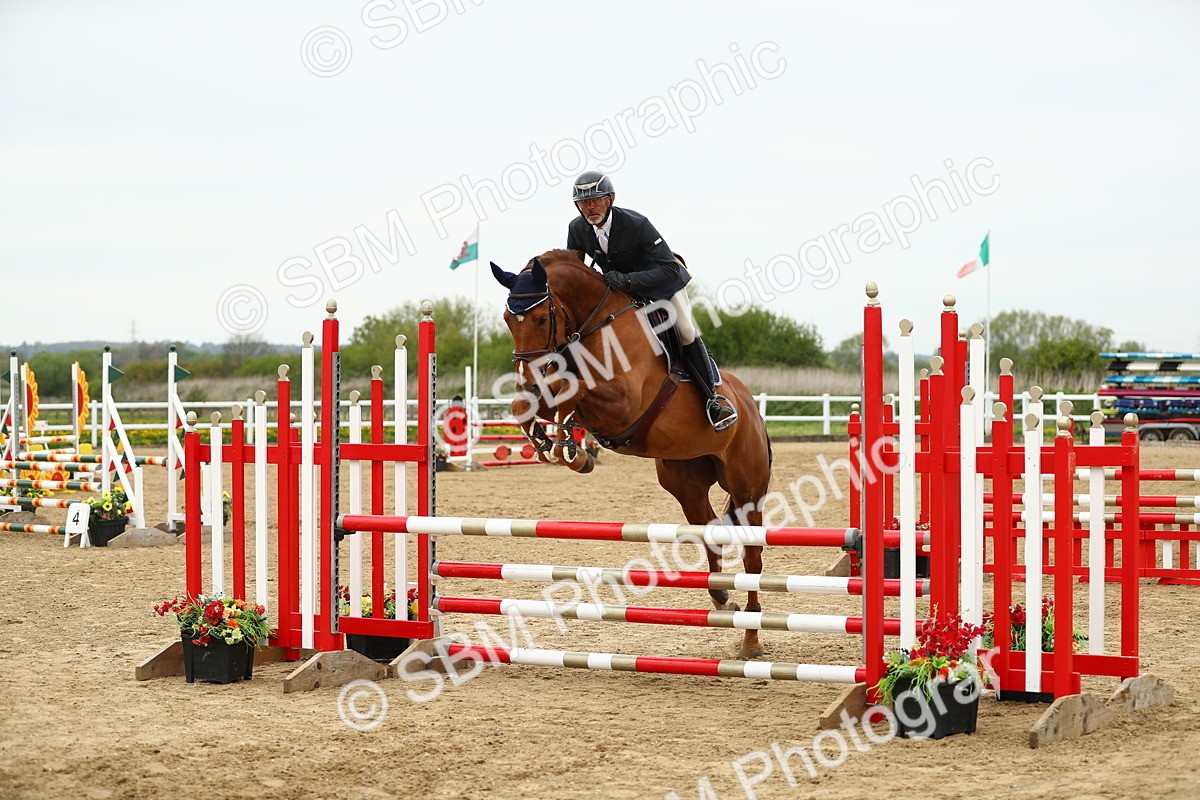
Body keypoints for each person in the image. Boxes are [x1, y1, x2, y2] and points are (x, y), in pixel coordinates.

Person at [566, 170, 738, 431]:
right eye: (584, 203)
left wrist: (627, 280)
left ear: (610, 199)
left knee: (685, 329)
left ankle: (714, 400)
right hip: (622, 292)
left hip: (663, 286)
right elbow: (575, 272)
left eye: (596, 200)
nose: (590, 207)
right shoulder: (577, 229)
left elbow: (668, 268)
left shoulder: (636, 224)